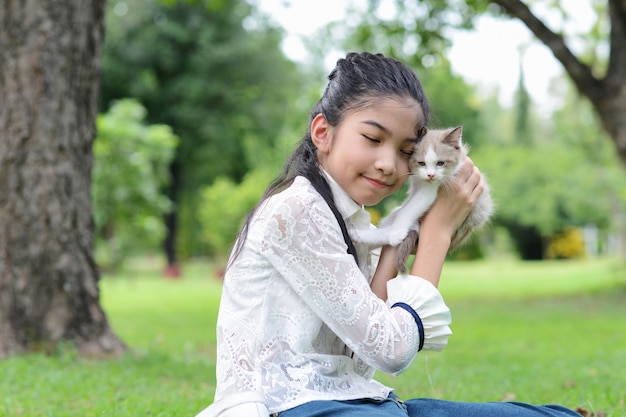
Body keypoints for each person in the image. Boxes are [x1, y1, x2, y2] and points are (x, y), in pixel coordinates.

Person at [195, 52, 581, 417]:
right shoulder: (297, 210)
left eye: (405, 151)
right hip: (285, 407)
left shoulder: (357, 224)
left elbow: (361, 358)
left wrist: (407, 225)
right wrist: (437, 233)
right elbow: (392, 350)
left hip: (353, 400)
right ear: (323, 132)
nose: (388, 165)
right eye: (373, 139)